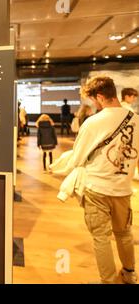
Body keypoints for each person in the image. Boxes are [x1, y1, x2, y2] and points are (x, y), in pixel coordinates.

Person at [53, 76, 139, 284]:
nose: (94, 104)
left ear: (100, 96)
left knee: (101, 238)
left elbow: (78, 157)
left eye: (93, 100)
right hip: (123, 188)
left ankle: (108, 281)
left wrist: (57, 166)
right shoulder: (135, 118)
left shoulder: (93, 122)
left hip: (96, 188)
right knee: (124, 233)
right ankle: (129, 274)